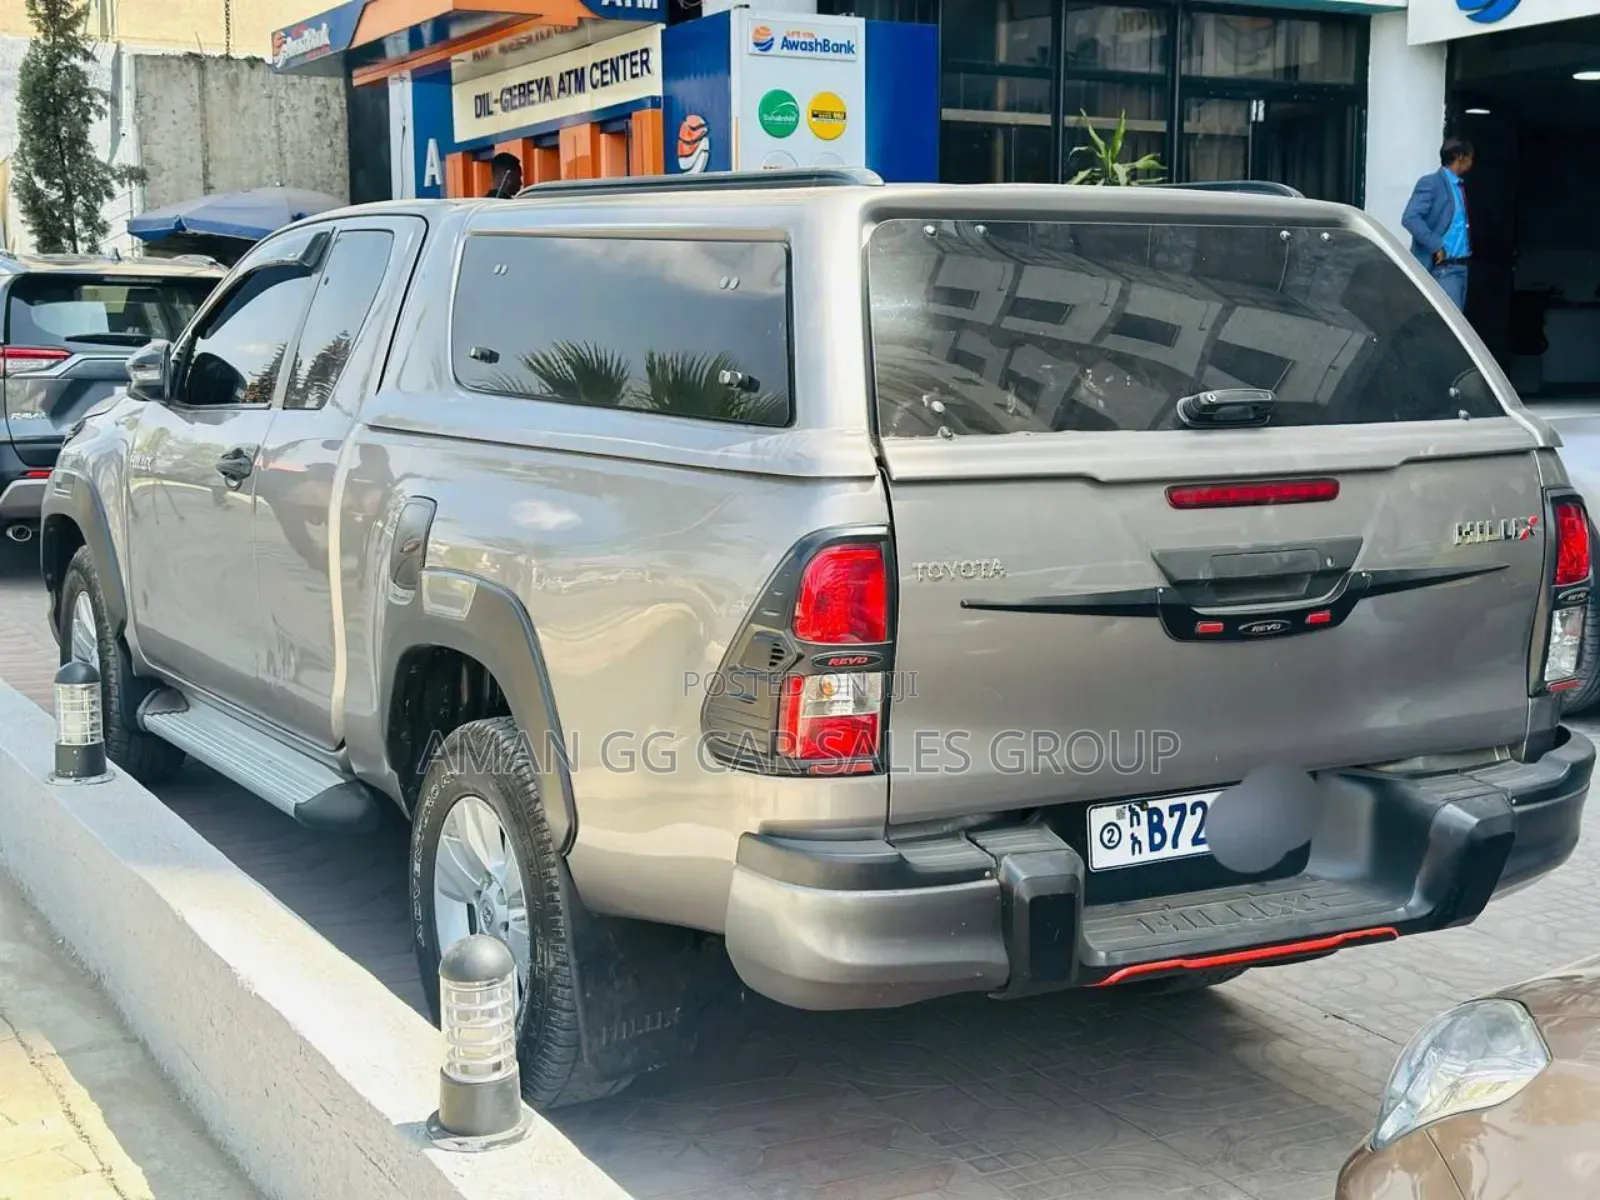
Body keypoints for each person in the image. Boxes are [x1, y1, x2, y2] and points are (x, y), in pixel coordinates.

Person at [1401, 138, 1474, 311]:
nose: (1472, 162)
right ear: (1459, 157)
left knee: (1456, 324)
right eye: (1470, 157)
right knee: (1448, 329)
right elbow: (1410, 218)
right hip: (1443, 269)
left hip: (1460, 268)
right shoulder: (1432, 183)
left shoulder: (1458, 186)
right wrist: (1436, 244)